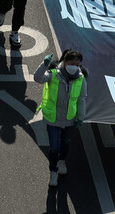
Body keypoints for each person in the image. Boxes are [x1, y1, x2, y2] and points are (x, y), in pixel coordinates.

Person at [34, 49, 86, 184]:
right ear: (65, 61)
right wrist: (43, 65)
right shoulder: (53, 74)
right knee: (54, 147)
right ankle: (53, 171)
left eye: (77, 63)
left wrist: (80, 117)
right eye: (71, 62)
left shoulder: (81, 79)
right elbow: (37, 78)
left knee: (66, 143)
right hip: (53, 118)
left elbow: (81, 99)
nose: (74, 66)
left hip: (70, 118)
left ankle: (61, 161)